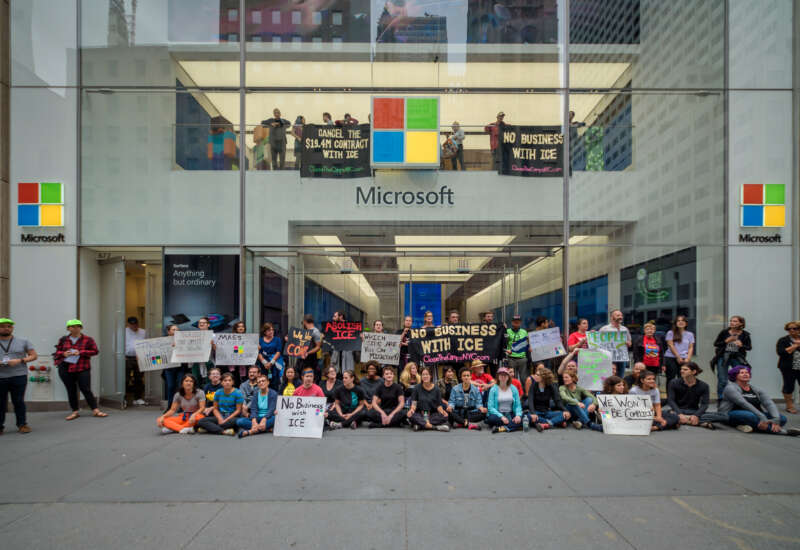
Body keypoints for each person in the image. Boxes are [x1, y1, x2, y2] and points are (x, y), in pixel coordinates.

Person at [720, 365, 799, 435]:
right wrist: (763, 417)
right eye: (741, 373)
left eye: (747, 372)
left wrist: (776, 418)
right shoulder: (730, 388)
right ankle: (783, 432)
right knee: (750, 416)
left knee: (782, 418)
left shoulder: (755, 389)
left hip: (756, 415)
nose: (745, 374)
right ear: (735, 375)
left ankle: (748, 426)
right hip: (731, 414)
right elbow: (743, 403)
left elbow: (769, 403)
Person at [54, 319, 107, 421]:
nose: (75, 328)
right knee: (71, 390)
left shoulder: (88, 339)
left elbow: (95, 351)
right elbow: (57, 352)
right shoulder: (63, 339)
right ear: (68, 328)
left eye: (78, 326)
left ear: (81, 328)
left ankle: (95, 410)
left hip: (82, 367)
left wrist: (81, 352)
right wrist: (64, 354)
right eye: (73, 326)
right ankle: (75, 411)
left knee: (86, 389)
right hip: (66, 368)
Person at [0, 318, 37, 434]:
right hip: (0, 377)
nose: (6, 328)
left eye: (9, 326)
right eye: (3, 326)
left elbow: (33, 356)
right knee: (0, 402)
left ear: (12, 328)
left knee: (18, 401)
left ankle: (22, 424)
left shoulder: (23, 341)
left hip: (19, 376)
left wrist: (20, 360)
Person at [666, 362, 727, 429]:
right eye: (681, 369)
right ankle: (698, 422)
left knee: (724, 416)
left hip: (693, 411)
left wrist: (696, 415)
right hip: (678, 410)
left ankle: (684, 420)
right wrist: (680, 414)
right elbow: (671, 400)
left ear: (694, 372)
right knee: (662, 413)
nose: (681, 371)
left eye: (685, 369)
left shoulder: (704, 386)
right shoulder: (673, 383)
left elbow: (705, 404)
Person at [712, 316, 751, 402]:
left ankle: (738, 398)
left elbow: (749, 347)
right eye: (731, 321)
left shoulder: (745, 334)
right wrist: (727, 340)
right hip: (724, 356)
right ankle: (721, 399)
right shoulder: (724, 332)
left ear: (741, 323)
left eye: (735, 321)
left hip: (737, 357)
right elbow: (716, 344)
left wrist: (742, 345)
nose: (732, 323)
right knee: (722, 379)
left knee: (739, 378)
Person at [526, 365, 570, 431]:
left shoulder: (551, 386)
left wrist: (565, 410)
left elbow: (557, 400)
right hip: (536, 412)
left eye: (538, 375)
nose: (535, 376)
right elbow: (530, 400)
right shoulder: (534, 385)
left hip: (547, 412)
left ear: (543, 378)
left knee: (564, 414)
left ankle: (545, 424)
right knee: (528, 416)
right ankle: (554, 422)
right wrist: (533, 413)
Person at [407, 366, 450, 431]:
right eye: (423, 375)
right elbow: (414, 404)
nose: (425, 376)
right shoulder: (417, 388)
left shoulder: (436, 389)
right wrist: (412, 409)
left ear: (430, 376)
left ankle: (420, 425)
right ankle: (434, 427)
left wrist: (442, 412)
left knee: (445, 416)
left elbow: (439, 406)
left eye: (427, 374)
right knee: (410, 415)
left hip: (432, 414)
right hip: (420, 413)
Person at [237, 373, 278, 438]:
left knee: (276, 418)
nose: (261, 383)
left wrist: (264, 419)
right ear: (258, 385)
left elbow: (271, 409)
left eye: (263, 381)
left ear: (268, 382)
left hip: (269, 417)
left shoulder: (273, 393)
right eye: (259, 382)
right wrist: (253, 420)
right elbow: (253, 409)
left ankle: (251, 431)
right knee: (239, 421)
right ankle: (266, 429)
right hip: (258, 417)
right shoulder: (256, 394)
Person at [486, 367, 523, 433]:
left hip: (510, 413)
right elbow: (490, 408)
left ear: (508, 377)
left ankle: (503, 428)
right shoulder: (493, 389)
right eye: (501, 375)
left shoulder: (513, 388)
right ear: (498, 377)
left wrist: (517, 415)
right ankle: (513, 425)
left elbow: (518, 405)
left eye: (505, 375)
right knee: (491, 419)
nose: (503, 377)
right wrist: (502, 417)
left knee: (524, 417)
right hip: (498, 415)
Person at [775, 320, 800, 413]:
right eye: (789, 329)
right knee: (789, 386)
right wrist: (795, 346)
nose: (792, 330)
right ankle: (789, 406)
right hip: (788, 367)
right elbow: (781, 352)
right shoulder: (783, 340)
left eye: (795, 328)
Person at [162, 324, 187, 410]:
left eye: (177, 330)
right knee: (170, 387)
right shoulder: (163, 341)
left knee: (181, 386)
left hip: (180, 366)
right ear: (168, 332)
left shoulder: (183, 340)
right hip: (169, 367)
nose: (176, 331)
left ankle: (181, 407)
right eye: (174, 330)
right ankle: (169, 407)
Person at [600, 309, 632, 378]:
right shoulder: (605, 329)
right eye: (618, 315)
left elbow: (630, 343)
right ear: (612, 317)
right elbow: (598, 342)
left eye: (621, 315)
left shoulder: (624, 329)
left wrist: (627, 343)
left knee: (621, 377)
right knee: (609, 377)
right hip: (609, 357)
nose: (620, 317)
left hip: (621, 358)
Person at [664, 315, 695, 384]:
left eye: (682, 321)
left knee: (683, 378)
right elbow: (671, 345)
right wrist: (678, 357)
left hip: (685, 359)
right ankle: (670, 394)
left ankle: (681, 394)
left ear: (686, 323)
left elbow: (691, 347)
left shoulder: (690, 334)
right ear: (675, 323)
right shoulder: (670, 333)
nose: (680, 322)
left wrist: (688, 358)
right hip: (671, 358)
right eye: (678, 321)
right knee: (671, 378)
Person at [125, 316, 147, 406]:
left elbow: (148, 344)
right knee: (126, 378)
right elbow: (117, 344)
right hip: (127, 358)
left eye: (136, 324)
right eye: (132, 324)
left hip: (140, 358)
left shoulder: (143, 332)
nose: (134, 326)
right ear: (129, 324)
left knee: (139, 378)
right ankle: (124, 399)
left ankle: (138, 398)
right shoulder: (124, 332)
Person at [219, 321, 247, 386]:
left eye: (242, 326)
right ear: (235, 328)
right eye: (239, 326)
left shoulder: (248, 338)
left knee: (244, 380)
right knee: (235, 380)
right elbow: (232, 349)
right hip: (233, 363)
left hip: (244, 363)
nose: (241, 328)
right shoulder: (230, 338)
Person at [258, 322, 283, 390]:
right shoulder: (260, 340)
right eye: (269, 330)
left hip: (275, 364)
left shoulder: (277, 339)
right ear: (265, 332)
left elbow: (278, 352)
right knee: (263, 381)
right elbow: (258, 353)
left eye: (272, 330)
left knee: (274, 383)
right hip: (263, 365)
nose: (271, 331)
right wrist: (265, 363)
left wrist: (271, 363)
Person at [190, 316, 215, 383]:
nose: (201, 324)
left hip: (208, 362)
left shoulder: (213, 336)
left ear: (208, 324)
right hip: (196, 362)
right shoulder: (192, 336)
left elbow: (217, 350)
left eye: (204, 323)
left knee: (209, 382)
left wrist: (213, 344)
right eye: (200, 323)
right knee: (196, 382)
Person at [505, 314, 530, 382]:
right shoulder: (507, 331)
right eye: (515, 321)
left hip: (522, 358)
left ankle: (525, 392)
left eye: (518, 321)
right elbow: (504, 344)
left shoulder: (524, 332)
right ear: (512, 322)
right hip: (511, 358)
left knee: (523, 378)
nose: (516, 322)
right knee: (512, 377)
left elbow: (527, 343)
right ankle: (514, 392)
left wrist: (529, 347)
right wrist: (507, 351)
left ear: (520, 322)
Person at [300, 314, 323, 380]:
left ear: (304, 322)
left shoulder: (315, 332)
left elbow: (318, 347)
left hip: (311, 359)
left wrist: (308, 353)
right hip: (303, 359)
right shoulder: (305, 331)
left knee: (311, 375)